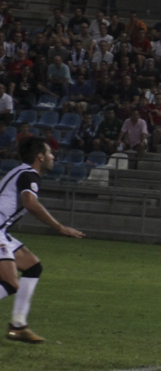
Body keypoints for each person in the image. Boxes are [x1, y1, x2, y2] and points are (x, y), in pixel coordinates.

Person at [2, 138, 85, 343]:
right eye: (49, 153)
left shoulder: (20, 172)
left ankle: (18, 325)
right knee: (10, 282)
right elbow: (30, 203)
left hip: (2, 231)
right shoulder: (29, 174)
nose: (52, 157)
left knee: (32, 266)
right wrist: (59, 227)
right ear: (40, 156)